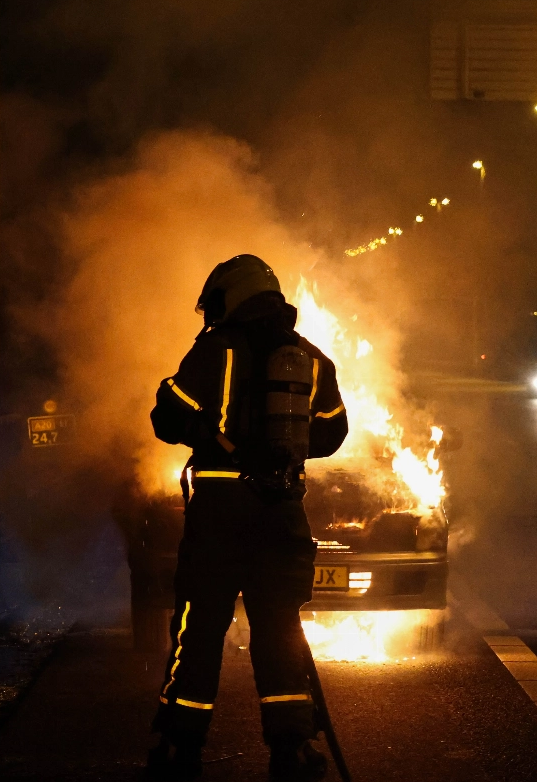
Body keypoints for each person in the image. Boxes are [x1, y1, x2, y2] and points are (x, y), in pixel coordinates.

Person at [145, 255, 348, 781]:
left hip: (219, 516)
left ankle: (180, 746)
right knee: (280, 630)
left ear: (231, 298)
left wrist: (203, 424)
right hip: (282, 515)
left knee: (199, 628)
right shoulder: (311, 358)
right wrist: (281, 450)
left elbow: (167, 419)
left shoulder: (214, 351)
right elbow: (332, 433)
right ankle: (292, 748)